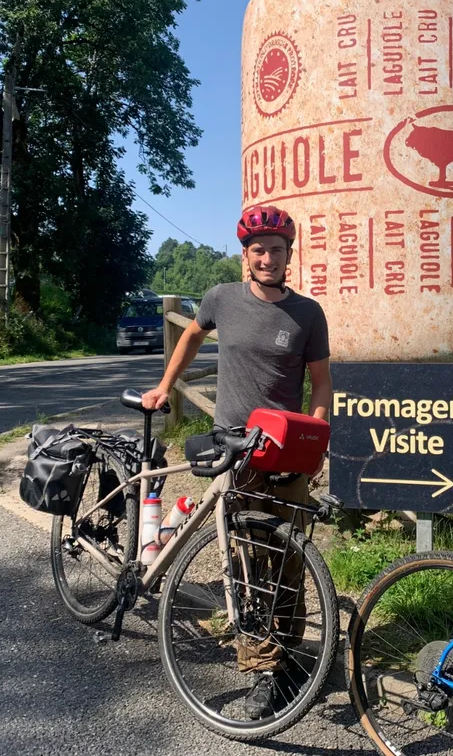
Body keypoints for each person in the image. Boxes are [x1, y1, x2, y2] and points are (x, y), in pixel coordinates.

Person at [142, 205, 332, 720]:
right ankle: (261, 671)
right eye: (259, 250)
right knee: (245, 565)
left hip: (286, 449)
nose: (268, 257)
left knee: (290, 558)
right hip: (234, 446)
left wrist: (315, 444)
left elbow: (321, 384)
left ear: (290, 254)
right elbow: (190, 337)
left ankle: (289, 660)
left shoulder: (308, 313)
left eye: (277, 249)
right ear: (246, 256)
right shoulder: (222, 298)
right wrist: (164, 387)